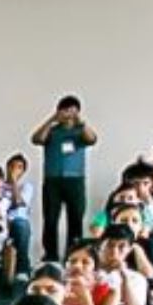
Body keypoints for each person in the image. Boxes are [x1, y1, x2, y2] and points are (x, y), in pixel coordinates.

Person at [32, 95, 97, 261]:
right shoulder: (53, 131)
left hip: (75, 180)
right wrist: (52, 119)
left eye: (72, 109)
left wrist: (80, 121)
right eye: (65, 109)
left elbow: (92, 139)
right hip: (53, 180)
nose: (68, 113)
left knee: (75, 218)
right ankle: (51, 255)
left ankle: (73, 253)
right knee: (51, 219)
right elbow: (36, 139)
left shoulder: (80, 131)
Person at [2, 154, 36, 283]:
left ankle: (22, 270)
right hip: (0, 221)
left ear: (23, 171)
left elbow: (17, 202)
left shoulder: (26, 187)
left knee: (21, 225)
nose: (15, 169)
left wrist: (14, 181)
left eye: (19, 167)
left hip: (17, 222)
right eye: (12, 166)